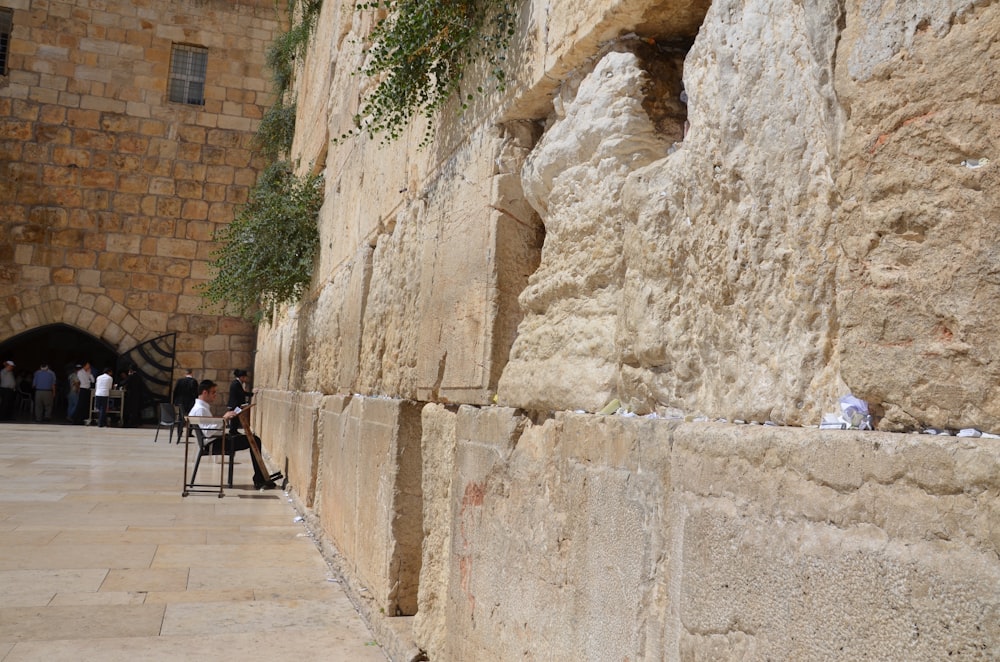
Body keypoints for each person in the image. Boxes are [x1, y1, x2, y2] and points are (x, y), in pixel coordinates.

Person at [189, 380, 275, 490]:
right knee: (254, 440)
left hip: (217, 440)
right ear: (205, 393)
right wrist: (224, 419)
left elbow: (208, 428)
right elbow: (208, 433)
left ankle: (260, 477)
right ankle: (259, 479)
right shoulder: (200, 409)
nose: (215, 395)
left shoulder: (201, 407)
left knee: (253, 439)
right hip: (214, 443)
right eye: (213, 392)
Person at [172, 368, 199, 435]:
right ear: (191, 373)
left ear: (185, 373)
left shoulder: (180, 381)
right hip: (191, 402)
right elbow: (195, 393)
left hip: (181, 403)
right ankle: (189, 432)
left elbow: (175, 391)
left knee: (181, 417)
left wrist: (174, 401)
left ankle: (179, 432)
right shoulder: (193, 381)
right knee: (191, 417)